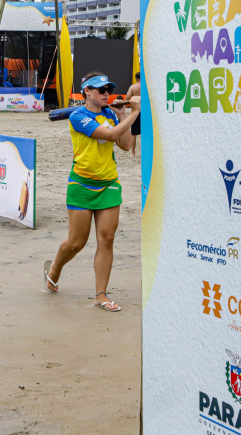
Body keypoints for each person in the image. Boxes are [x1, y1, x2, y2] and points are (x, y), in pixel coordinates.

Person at [43, 71, 140, 312]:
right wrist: (135, 113)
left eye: (109, 90)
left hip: (108, 184)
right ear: (87, 91)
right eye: (101, 90)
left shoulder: (110, 113)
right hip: (82, 186)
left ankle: (101, 295)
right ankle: (54, 268)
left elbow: (125, 144)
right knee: (77, 243)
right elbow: (109, 135)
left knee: (106, 240)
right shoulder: (78, 116)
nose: (107, 94)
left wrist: (121, 114)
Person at [125, 72, 142, 157]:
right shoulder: (145, 87)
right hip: (145, 111)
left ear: (136, 78)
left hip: (136, 110)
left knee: (133, 134)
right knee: (146, 133)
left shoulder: (132, 87)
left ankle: (133, 153)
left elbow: (127, 99)